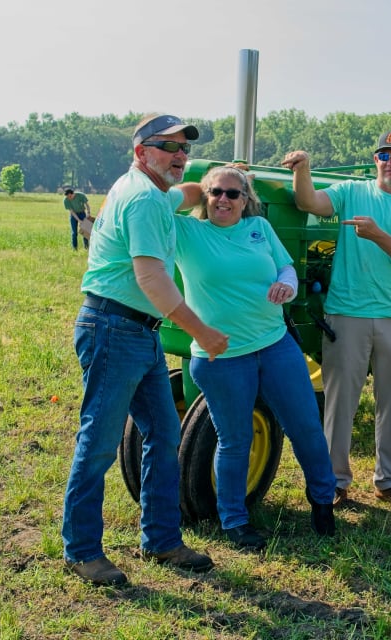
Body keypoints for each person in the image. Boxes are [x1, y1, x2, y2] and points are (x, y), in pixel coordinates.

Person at [62, 114, 229, 586]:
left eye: (184, 149)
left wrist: (217, 180)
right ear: (141, 152)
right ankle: (81, 551)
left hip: (138, 331)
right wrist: (203, 332)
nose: (180, 155)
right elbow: (152, 279)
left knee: (164, 432)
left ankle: (160, 539)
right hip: (115, 328)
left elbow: (186, 193)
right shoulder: (141, 201)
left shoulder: (152, 191)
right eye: (168, 146)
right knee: (98, 444)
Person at [173, 165, 337, 548]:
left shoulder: (259, 229)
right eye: (215, 192)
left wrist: (287, 284)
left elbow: (285, 266)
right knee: (235, 439)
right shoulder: (187, 233)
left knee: (306, 428)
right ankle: (234, 520)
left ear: (246, 201)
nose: (224, 200)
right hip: (222, 356)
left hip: (276, 345)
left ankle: (322, 501)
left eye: (233, 194)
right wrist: (195, 187)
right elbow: (155, 207)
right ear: (204, 196)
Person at [281, 131, 391, 506]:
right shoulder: (351, 191)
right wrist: (303, 169)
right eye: (385, 154)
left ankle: (388, 479)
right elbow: (309, 202)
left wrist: (378, 235)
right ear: (376, 160)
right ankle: (335, 481)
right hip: (346, 313)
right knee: (340, 402)